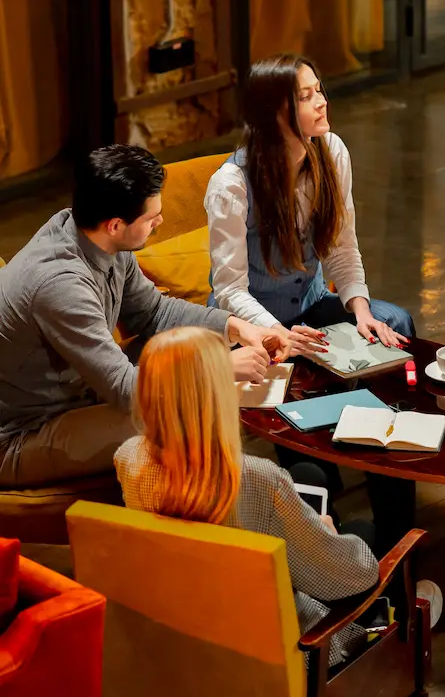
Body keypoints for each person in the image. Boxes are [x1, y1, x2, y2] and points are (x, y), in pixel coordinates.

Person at [0, 145, 292, 488]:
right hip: (24, 433)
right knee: (182, 409)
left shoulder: (93, 236)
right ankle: (228, 516)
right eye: (152, 217)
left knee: (198, 348)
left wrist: (237, 328)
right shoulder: (60, 286)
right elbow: (126, 390)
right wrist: (220, 368)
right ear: (115, 225)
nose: (161, 222)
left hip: (78, 393)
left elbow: (154, 313)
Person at [115, 327, 380, 667]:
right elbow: (351, 576)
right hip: (273, 648)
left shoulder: (128, 458)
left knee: (307, 477)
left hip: (184, 625)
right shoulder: (254, 477)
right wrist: (326, 532)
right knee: (362, 534)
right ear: (216, 393)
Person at [205, 54, 414, 349]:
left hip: (310, 308)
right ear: (272, 114)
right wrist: (278, 332)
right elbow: (229, 290)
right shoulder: (231, 184)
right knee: (277, 362)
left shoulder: (332, 150)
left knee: (393, 322)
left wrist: (361, 312)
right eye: (305, 97)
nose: (321, 102)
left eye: (318, 90)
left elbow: (341, 247)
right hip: (248, 324)